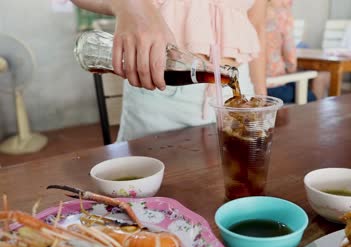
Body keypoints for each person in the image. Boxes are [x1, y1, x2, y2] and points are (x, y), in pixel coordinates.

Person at [71, 0, 267, 141]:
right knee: (147, 192)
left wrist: (262, 100)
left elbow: (257, 24)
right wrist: (128, 4)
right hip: (161, 89)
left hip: (241, 93)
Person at [265, 0, 315, 103]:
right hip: (273, 86)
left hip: (249, 85)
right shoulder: (282, 16)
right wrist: (292, 69)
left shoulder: (251, 11)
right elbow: (291, 62)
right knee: (311, 97)